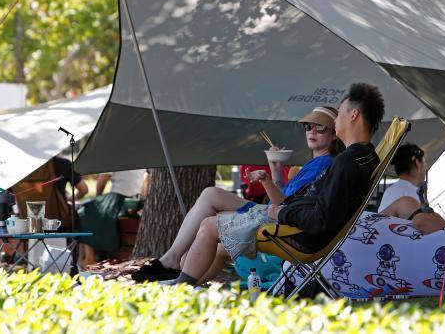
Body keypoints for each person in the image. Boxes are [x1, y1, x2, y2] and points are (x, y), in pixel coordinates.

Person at [158, 82, 384, 286]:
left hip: (298, 234)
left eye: (339, 114)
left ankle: (180, 287)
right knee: (214, 226)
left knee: (209, 225)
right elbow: (320, 208)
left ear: (353, 115)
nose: (335, 121)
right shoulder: (364, 158)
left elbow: (320, 219)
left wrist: (280, 213)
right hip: (300, 227)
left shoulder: (345, 162)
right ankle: (182, 282)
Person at [131, 105, 345, 283]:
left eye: (320, 128)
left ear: (334, 134)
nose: (312, 132)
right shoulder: (315, 163)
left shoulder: (323, 164)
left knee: (210, 210)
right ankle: (178, 270)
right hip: (277, 213)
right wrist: (276, 169)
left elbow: (284, 205)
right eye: (309, 126)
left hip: (278, 218)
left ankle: (175, 267)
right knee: (210, 200)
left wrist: (266, 180)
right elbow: (287, 198)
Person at [77, 169, 148, 266]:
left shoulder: (113, 155)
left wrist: (98, 199)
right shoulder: (142, 157)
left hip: (118, 199)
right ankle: (85, 257)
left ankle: (89, 258)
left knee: (85, 211)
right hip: (136, 201)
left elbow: (101, 183)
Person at [378, 143, 445, 234]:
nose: (425, 167)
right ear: (418, 163)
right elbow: (423, 224)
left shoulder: (394, 190)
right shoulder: (406, 192)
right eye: (424, 162)